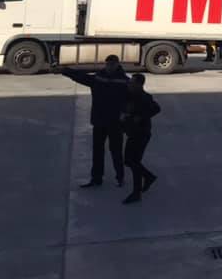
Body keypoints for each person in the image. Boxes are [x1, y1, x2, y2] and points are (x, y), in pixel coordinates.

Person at [61, 55, 128, 188]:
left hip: (114, 123)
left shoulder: (124, 81)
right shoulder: (99, 78)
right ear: (106, 64)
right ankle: (97, 178)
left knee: (116, 151)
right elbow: (81, 77)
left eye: (112, 64)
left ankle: (120, 177)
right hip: (100, 121)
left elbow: (132, 99)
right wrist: (65, 71)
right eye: (108, 64)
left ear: (117, 65)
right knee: (98, 151)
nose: (110, 67)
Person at [121, 73, 161, 205]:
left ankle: (136, 193)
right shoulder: (129, 95)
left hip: (141, 134)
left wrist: (140, 117)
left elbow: (156, 109)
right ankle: (148, 177)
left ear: (139, 85)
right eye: (130, 83)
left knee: (134, 162)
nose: (129, 84)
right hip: (132, 133)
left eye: (132, 83)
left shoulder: (145, 97)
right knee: (129, 161)